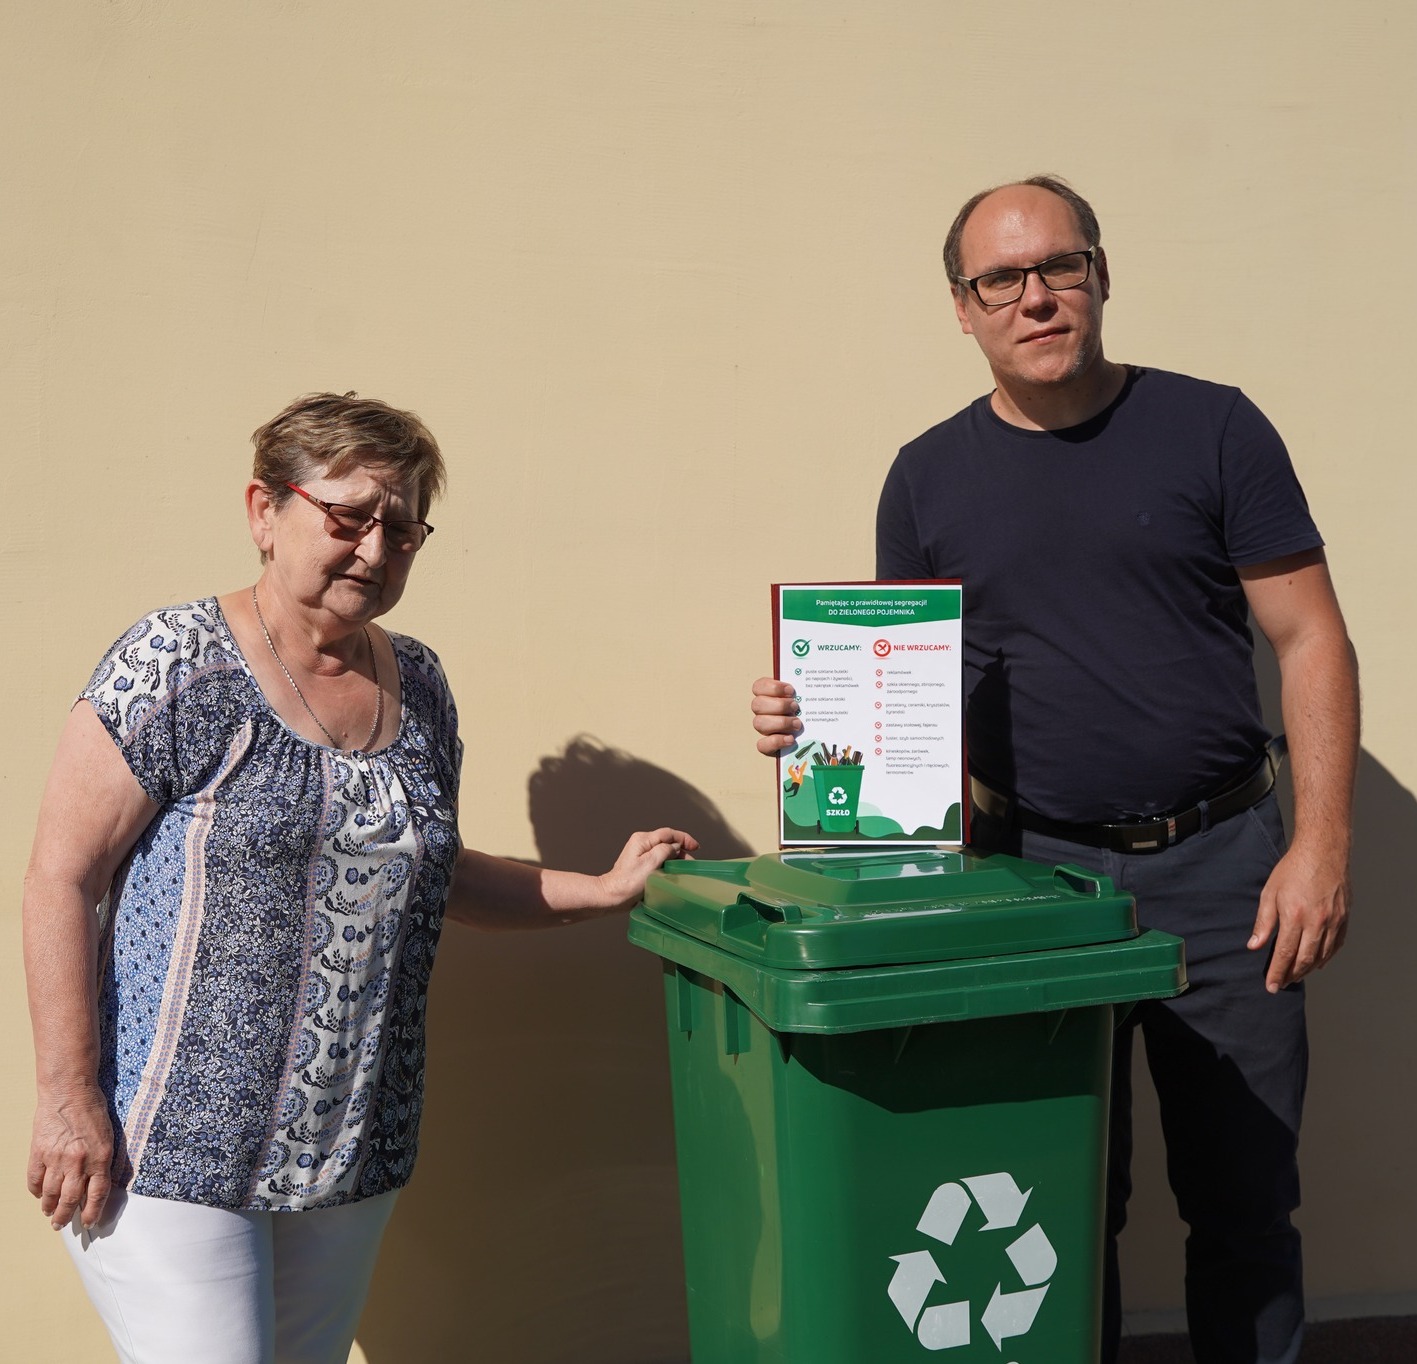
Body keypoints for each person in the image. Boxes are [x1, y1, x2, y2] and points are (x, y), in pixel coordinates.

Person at [751, 177, 1358, 1364]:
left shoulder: (1214, 427)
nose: (1035, 297)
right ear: (962, 307)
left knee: (1243, 1204)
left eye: (1059, 267)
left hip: (1226, 871)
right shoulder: (925, 476)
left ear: (1099, 275)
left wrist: (1320, 843)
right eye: (1002, 280)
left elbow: (1310, 636)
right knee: (1057, 1195)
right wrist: (809, 716)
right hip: (1033, 882)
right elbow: (902, 686)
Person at [23, 391, 697, 1364]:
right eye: (347, 517)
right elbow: (61, 874)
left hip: (351, 1153)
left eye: (404, 527)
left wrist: (595, 887)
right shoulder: (176, 665)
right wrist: (64, 1096)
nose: (374, 550)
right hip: (169, 1148)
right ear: (265, 510)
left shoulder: (416, 683)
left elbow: (427, 866)